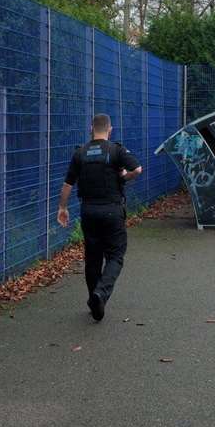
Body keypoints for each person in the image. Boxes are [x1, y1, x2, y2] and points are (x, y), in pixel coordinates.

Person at [58, 114, 142, 321]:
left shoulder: (80, 153)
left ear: (91, 129)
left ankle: (94, 302)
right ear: (110, 129)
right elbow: (137, 169)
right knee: (115, 255)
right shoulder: (116, 150)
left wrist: (62, 208)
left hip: (89, 211)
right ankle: (100, 294)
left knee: (92, 258)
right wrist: (124, 177)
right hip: (112, 211)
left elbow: (68, 184)